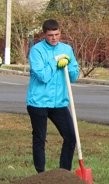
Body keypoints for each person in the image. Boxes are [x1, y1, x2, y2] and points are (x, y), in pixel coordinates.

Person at [25, 19, 79, 173]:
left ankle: (64, 173)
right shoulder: (37, 51)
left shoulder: (66, 49)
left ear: (60, 33)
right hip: (38, 102)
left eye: (56, 34)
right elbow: (42, 76)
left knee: (70, 137)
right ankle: (40, 173)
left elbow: (73, 76)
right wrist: (56, 63)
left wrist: (69, 66)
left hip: (59, 103)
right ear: (44, 34)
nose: (54, 38)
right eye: (50, 35)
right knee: (40, 139)